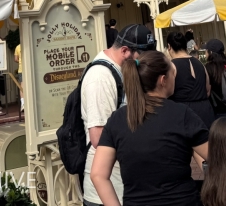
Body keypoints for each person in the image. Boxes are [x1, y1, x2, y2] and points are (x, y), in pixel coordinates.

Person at [90, 51, 209, 206]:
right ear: (163, 80)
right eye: (174, 74)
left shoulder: (117, 119)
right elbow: (217, 157)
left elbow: (98, 174)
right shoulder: (182, 114)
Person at [81, 24, 156, 206]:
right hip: (106, 193)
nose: (145, 63)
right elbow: (99, 137)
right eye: (142, 57)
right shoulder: (100, 77)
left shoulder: (119, 71)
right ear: (125, 51)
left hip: (124, 186)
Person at [166, 32, 214, 130]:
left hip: (183, 113)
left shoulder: (171, 66)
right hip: (205, 111)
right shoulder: (200, 64)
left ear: (169, 47)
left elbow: (167, 93)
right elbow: (208, 90)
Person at [205, 39, 226, 120]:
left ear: (210, 52)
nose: (205, 54)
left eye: (206, 51)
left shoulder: (208, 68)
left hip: (218, 110)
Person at [14, 41, 24, 113]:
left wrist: (20, 61)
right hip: (28, 69)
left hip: (21, 69)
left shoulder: (18, 47)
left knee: (22, 87)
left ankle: (23, 104)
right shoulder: (28, 45)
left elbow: (16, 59)